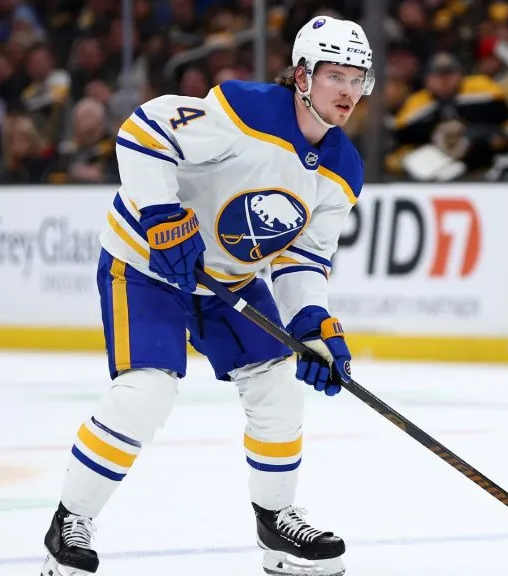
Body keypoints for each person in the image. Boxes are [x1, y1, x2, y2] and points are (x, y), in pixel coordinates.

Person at [41, 15, 373, 576]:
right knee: (146, 390)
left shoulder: (343, 171)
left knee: (278, 385)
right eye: (334, 75)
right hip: (146, 263)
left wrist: (313, 322)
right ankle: (70, 522)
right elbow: (144, 130)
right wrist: (163, 215)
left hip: (230, 281)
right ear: (301, 75)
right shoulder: (245, 111)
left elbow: (302, 259)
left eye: (358, 78)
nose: (347, 90)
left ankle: (277, 524)